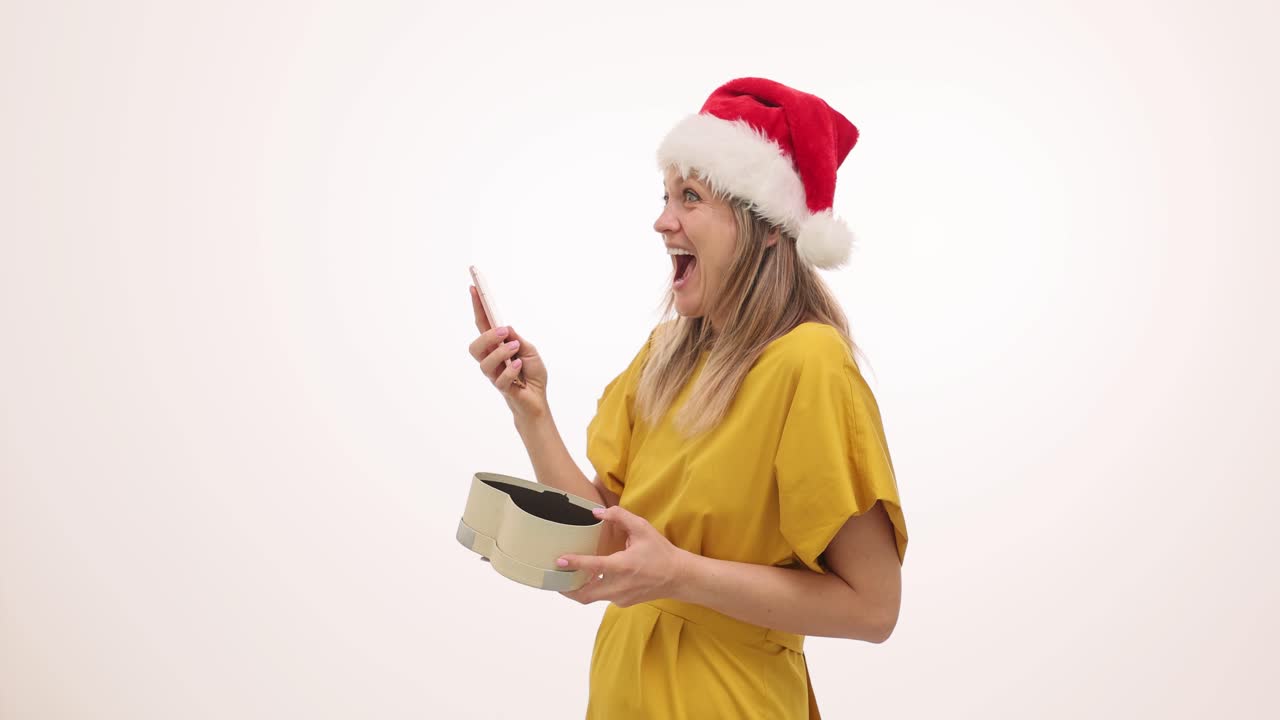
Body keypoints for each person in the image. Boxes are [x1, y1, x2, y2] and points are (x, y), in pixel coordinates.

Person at [467, 77, 908, 720]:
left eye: (691, 198)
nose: (662, 220)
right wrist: (531, 410)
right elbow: (611, 540)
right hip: (623, 691)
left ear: (766, 230)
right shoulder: (667, 354)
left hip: (728, 699)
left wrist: (679, 575)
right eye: (667, 195)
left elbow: (874, 609)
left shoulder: (809, 364)